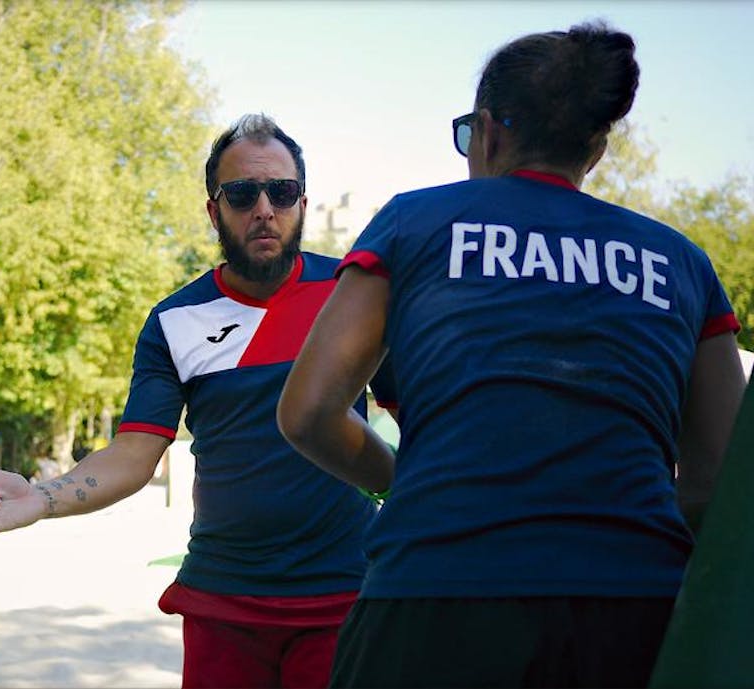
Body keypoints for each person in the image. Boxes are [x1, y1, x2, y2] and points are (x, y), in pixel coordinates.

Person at [277, 22, 747, 688]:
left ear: (491, 132)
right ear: (596, 149)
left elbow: (308, 411)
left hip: (433, 594)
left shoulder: (414, 223)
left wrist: (396, 479)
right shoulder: (685, 265)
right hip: (633, 609)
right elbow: (716, 481)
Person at [0, 114, 390, 689]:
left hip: (347, 595)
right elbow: (135, 454)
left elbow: (425, 414)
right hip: (223, 602)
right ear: (214, 210)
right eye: (241, 193)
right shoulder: (174, 320)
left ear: (302, 203)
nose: (263, 208)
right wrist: (42, 496)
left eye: (280, 192)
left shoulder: (355, 294)